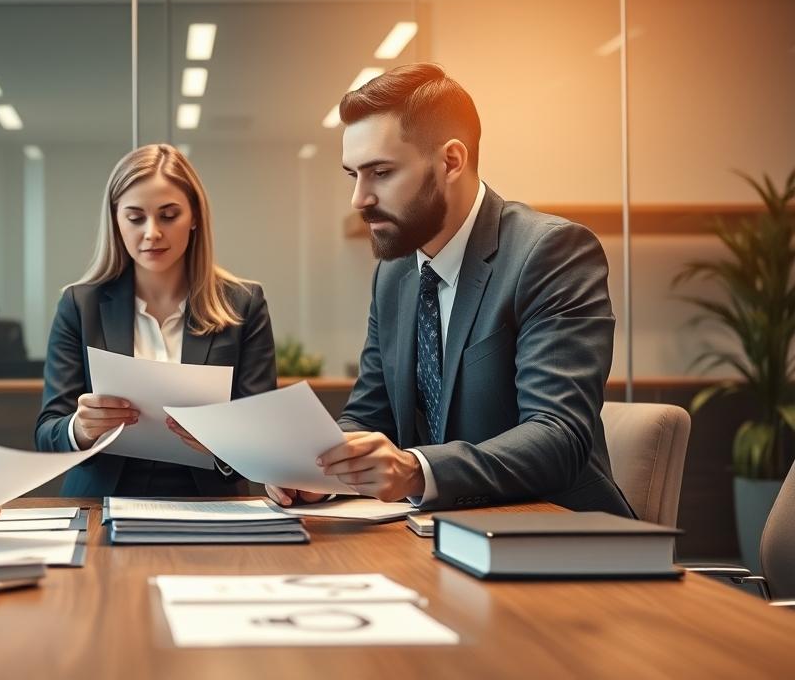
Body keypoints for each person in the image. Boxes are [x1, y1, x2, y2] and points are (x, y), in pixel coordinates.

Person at [267, 63, 632, 516]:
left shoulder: (551, 252)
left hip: (559, 532)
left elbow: (557, 435)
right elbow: (371, 415)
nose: (359, 198)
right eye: (353, 175)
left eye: (380, 172)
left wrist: (416, 470)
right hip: (441, 532)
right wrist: (317, 471)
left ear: (451, 161)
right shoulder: (394, 275)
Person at [35, 144, 276, 497]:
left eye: (168, 215)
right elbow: (47, 434)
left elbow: (264, 435)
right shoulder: (79, 305)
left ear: (194, 217)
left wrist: (222, 444)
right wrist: (81, 428)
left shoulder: (243, 303)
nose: (152, 233)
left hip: (211, 501)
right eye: (135, 218)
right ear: (116, 221)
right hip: (102, 502)